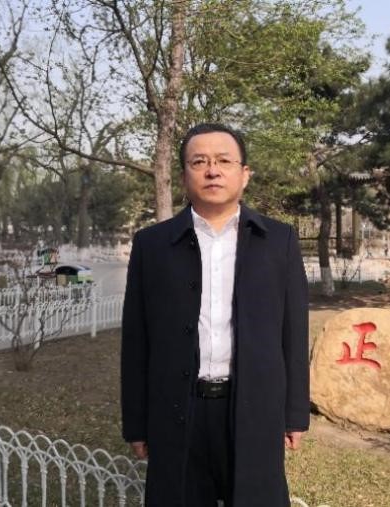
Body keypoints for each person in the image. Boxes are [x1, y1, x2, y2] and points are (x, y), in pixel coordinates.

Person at [121, 123, 310, 507]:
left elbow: (293, 333)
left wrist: (294, 415)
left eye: (224, 161)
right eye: (199, 162)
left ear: (245, 174)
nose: (212, 171)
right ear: (184, 175)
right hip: (178, 407)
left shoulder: (279, 240)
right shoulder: (152, 245)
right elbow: (136, 341)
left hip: (253, 407)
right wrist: (137, 422)